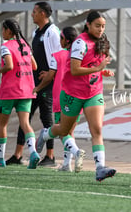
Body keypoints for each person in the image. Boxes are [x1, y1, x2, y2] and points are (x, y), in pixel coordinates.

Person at [36, 10, 116, 181]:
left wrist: (103, 72)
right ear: (88, 25)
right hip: (72, 93)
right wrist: (98, 68)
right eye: (97, 26)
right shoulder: (80, 43)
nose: (101, 29)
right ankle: (45, 134)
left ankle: (100, 168)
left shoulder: (102, 42)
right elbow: (75, 69)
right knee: (64, 130)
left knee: (97, 129)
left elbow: (95, 65)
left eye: (103, 26)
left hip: (93, 93)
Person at [5, 2, 61, 167]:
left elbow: (57, 57)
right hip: (33, 83)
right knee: (25, 118)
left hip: (47, 83)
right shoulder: (36, 31)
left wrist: (50, 75)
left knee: (46, 118)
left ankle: (50, 156)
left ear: (43, 14)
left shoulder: (52, 32)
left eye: (35, 12)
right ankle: (18, 154)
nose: (32, 14)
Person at [0, 18, 40, 169]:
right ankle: (34, 152)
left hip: (10, 91)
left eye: (3, 29)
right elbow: (34, 66)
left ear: (9, 31)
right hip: (26, 90)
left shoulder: (6, 46)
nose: (2, 32)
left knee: (2, 124)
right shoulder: (25, 45)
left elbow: (9, 65)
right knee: (25, 123)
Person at [33, 26, 81, 172]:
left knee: (63, 132)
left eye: (60, 38)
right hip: (77, 96)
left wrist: (38, 88)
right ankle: (67, 164)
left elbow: (50, 76)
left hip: (62, 97)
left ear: (66, 40)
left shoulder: (57, 55)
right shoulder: (79, 56)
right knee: (69, 131)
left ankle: (76, 152)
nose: (59, 40)